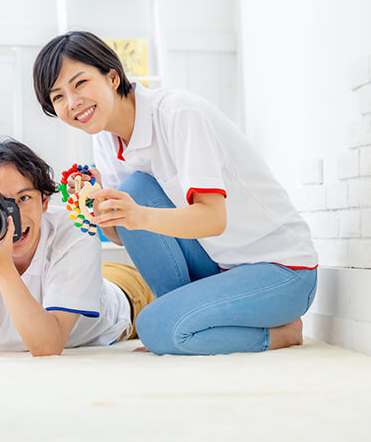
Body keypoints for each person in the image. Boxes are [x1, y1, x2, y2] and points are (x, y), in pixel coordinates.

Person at [32, 31, 318, 356]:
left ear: (112, 77)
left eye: (80, 83)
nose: (72, 103)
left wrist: (137, 214)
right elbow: (124, 234)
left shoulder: (179, 114)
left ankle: (282, 333)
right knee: (134, 189)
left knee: (155, 327)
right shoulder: (105, 138)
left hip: (283, 271)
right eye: (58, 97)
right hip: (220, 264)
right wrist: (98, 208)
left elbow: (213, 219)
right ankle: (177, 317)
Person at [0, 139, 154, 356]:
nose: (14, 216)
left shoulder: (74, 230)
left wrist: (2, 268)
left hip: (124, 294)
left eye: (23, 198)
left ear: (44, 202)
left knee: (161, 312)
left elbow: (48, 346)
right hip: (65, 271)